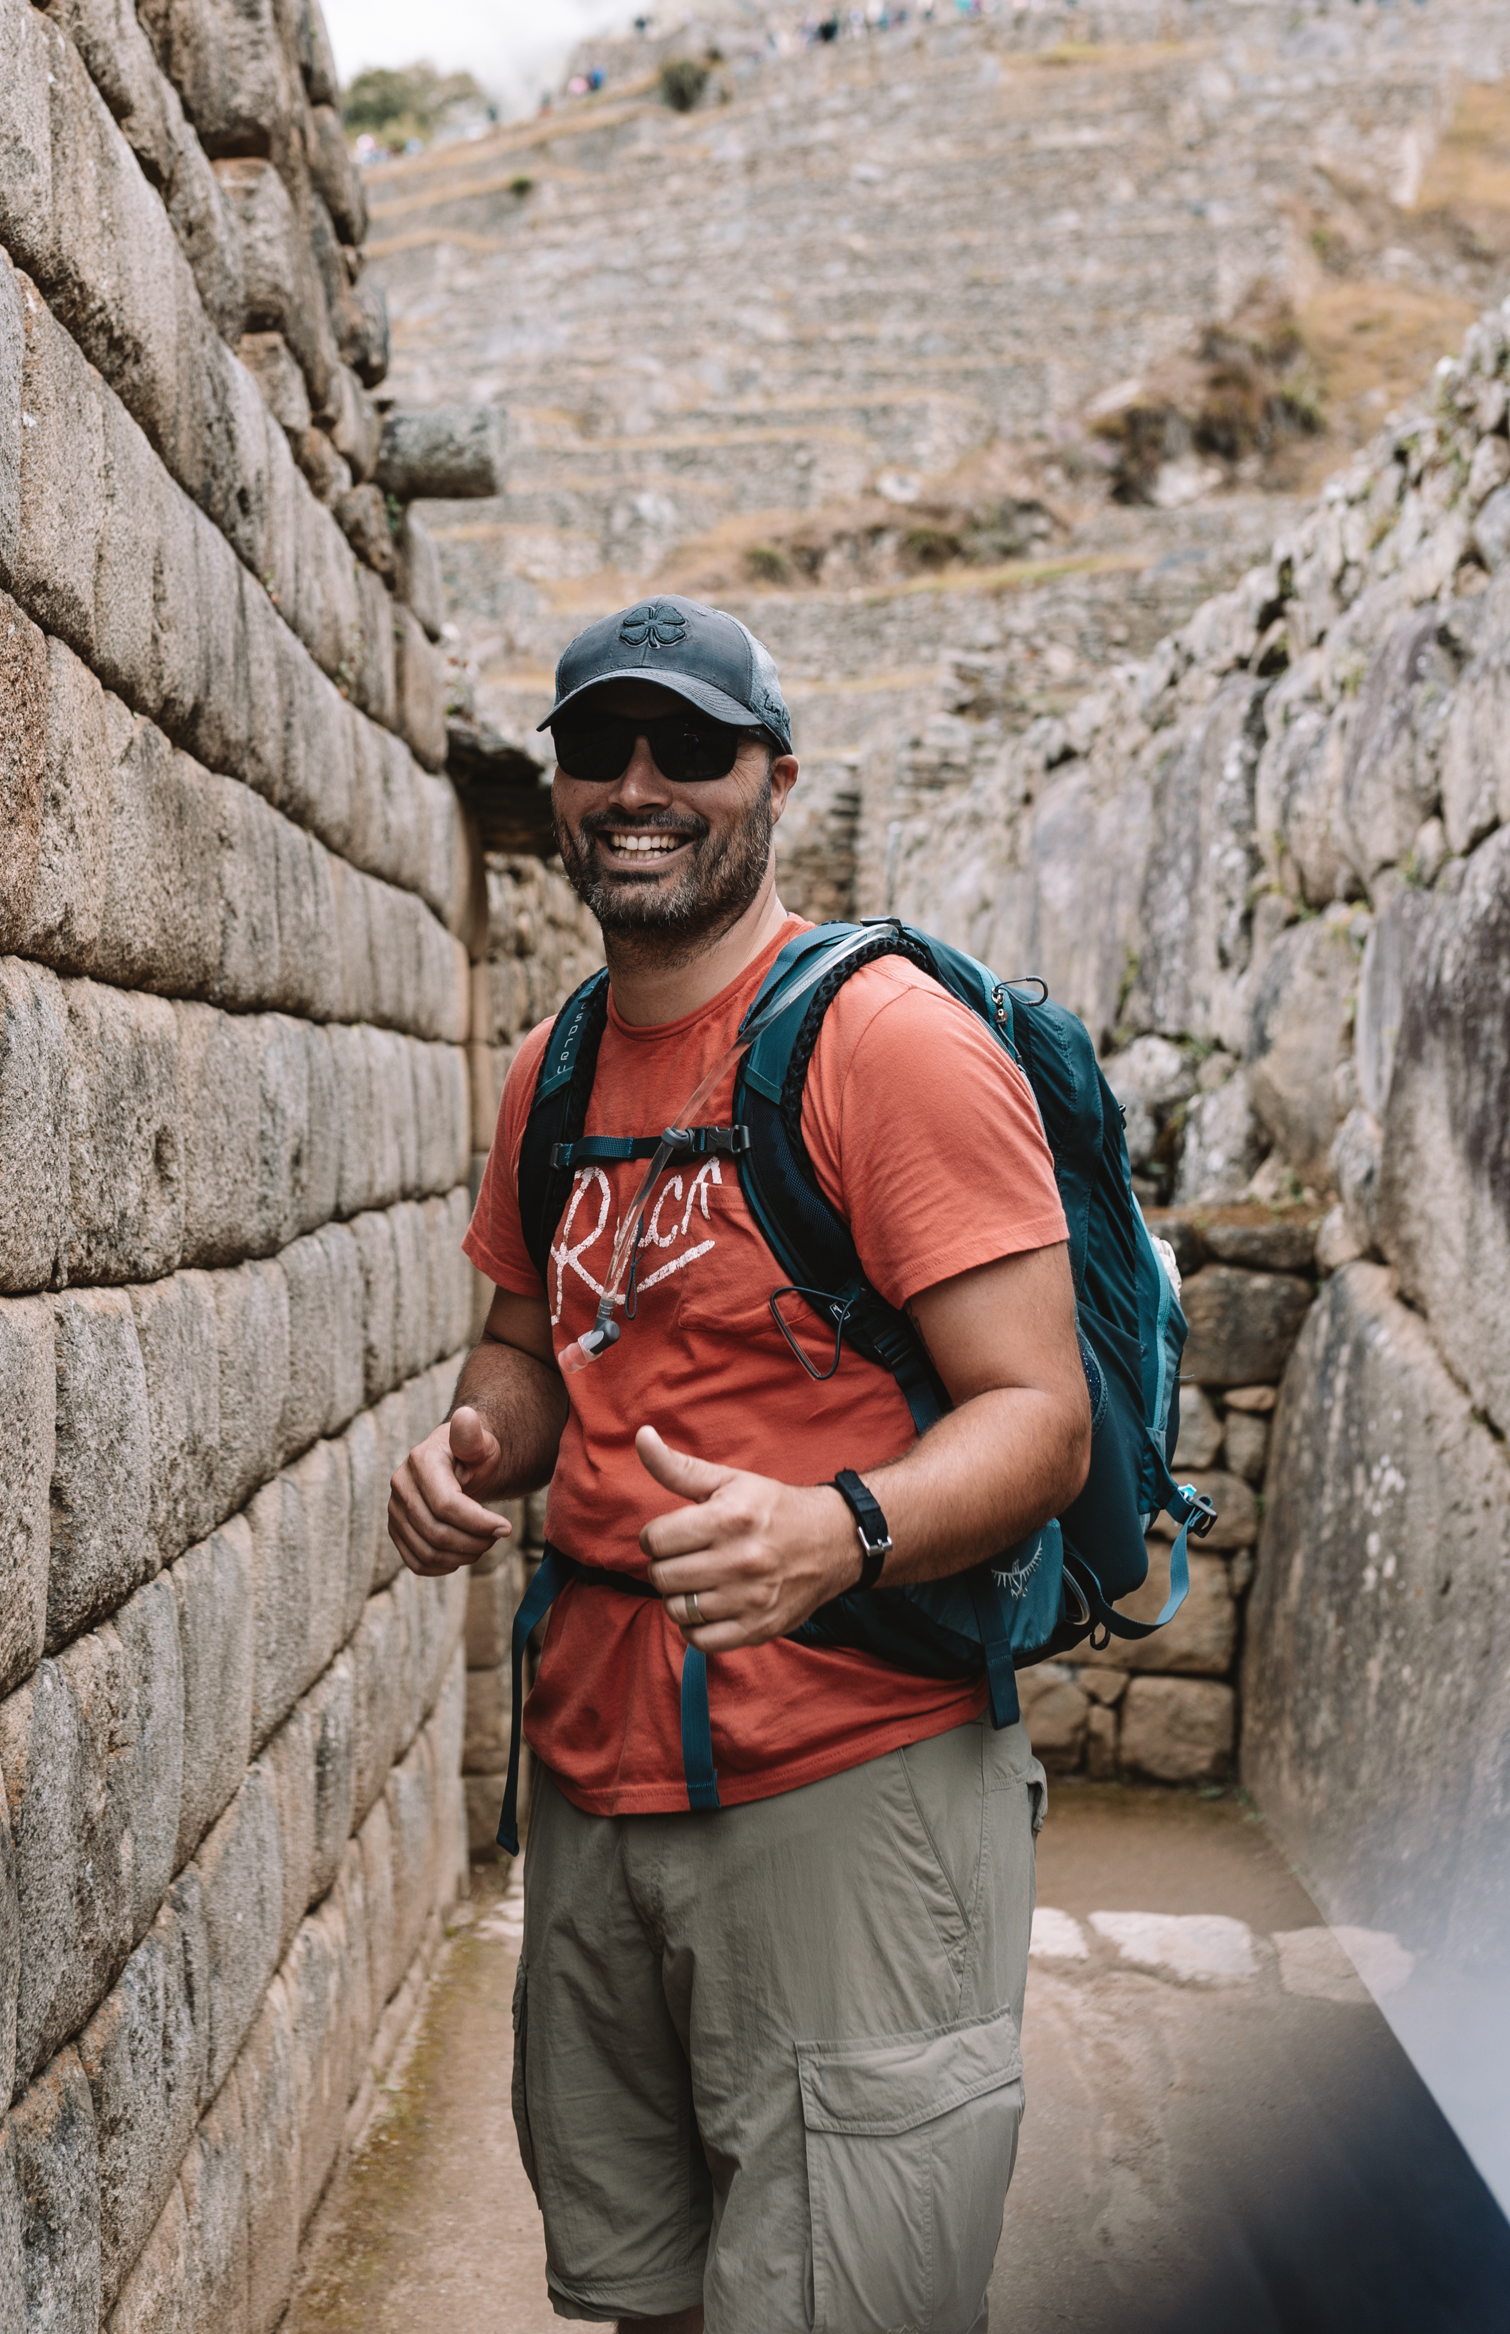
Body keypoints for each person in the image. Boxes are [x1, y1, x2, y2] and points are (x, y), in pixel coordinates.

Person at [389, 596, 1089, 2334]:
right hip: (598, 1783)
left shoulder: (887, 1046)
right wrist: (481, 1446)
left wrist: (841, 1532)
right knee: (646, 2291)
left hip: (848, 1778)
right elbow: (534, 1348)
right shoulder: (552, 1069)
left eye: (691, 749)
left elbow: (1042, 1420)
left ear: (775, 776)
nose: (642, 786)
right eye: (600, 750)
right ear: (556, 789)